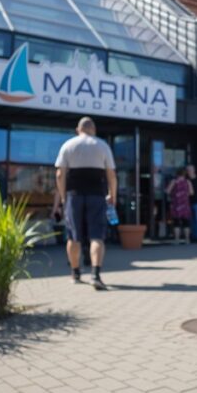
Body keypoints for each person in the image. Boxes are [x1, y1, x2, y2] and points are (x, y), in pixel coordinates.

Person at [53, 117, 116, 289]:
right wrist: (113, 195)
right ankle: (95, 274)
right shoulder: (102, 145)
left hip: (74, 196)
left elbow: (59, 175)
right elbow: (111, 175)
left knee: (73, 237)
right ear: (93, 129)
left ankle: (75, 273)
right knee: (97, 236)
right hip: (97, 196)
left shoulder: (68, 145)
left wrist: (64, 196)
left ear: (78, 129)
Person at [165, 168, 193, 244]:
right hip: (185, 204)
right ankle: (187, 239)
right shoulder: (187, 181)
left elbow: (167, 191)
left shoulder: (174, 181)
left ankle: (177, 240)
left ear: (177, 174)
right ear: (185, 174)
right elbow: (191, 192)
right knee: (186, 222)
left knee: (176, 222)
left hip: (176, 204)